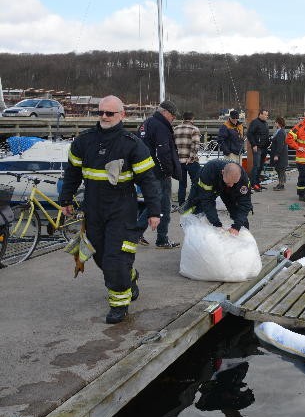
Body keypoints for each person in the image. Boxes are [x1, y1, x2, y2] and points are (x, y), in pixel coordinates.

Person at [59, 95, 161, 324]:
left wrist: (155, 212)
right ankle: (130, 277)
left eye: (109, 113)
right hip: (93, 211)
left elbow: (148, 180)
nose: (104, 117)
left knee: (116, 260)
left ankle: (119, 305)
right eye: (100, 112)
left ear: (122, 115)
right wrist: (66, 199)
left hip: (121, 212)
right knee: (101, 258)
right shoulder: (83, 142)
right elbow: (72, 173)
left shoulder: (132, 144)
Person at [137, 100, 181, 249]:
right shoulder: (161, 126)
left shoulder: (146, 124)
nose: (173, 119)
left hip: (145, 170)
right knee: (162, 205)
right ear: (165, 112)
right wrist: (168, 171)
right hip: (158, 173)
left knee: (156, 204)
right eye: (173, 116)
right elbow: (163, 152)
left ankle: (152, 236)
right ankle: (156, 237)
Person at [182, 159, 252, 233]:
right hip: (210, 183)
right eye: (228, 183)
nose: (231, 185)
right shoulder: (209, 171)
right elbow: (207, 200)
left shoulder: (243, 180)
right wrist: (216, 224)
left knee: (237, 211)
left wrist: (237, 227)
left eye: (234, 183)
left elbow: (245, 204)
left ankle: (243, 236)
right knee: (197, 207)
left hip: (226, 186)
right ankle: (193, 234)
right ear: (222, 172)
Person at [173, 111, 201, 209]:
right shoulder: (194, 129)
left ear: (183, 118)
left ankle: (181, 204)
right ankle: (193, 203)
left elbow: (173, 146)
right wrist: (191, 157)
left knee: (182, 184)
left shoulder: (175, 129)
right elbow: (196, 145)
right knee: (196, 182)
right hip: (190, 161)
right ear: (192, 119)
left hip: (179, 161)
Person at [246, 108, 270, 192]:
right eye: (265, 115)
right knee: (256, 166)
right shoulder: (255, 122)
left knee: (261, 166)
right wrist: (254, 144)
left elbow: (266, 135)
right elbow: (249, 134)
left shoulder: (265, 123)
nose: (267, 116)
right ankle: (252, 184)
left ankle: (257, 182)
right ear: (260, 114)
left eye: (267, 115)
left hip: (264, 148)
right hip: (258, 147)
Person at [269, 116, 288, 191]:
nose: (275, 123)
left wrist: (277, 155)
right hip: (281, 154)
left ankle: (281, 184)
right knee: (279, 169)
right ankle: (280, 183)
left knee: (280, 169)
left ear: (279, 123)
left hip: (281, 155)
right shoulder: (280, 131)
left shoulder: (280, 132)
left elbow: (280, 145)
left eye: (276, 122)